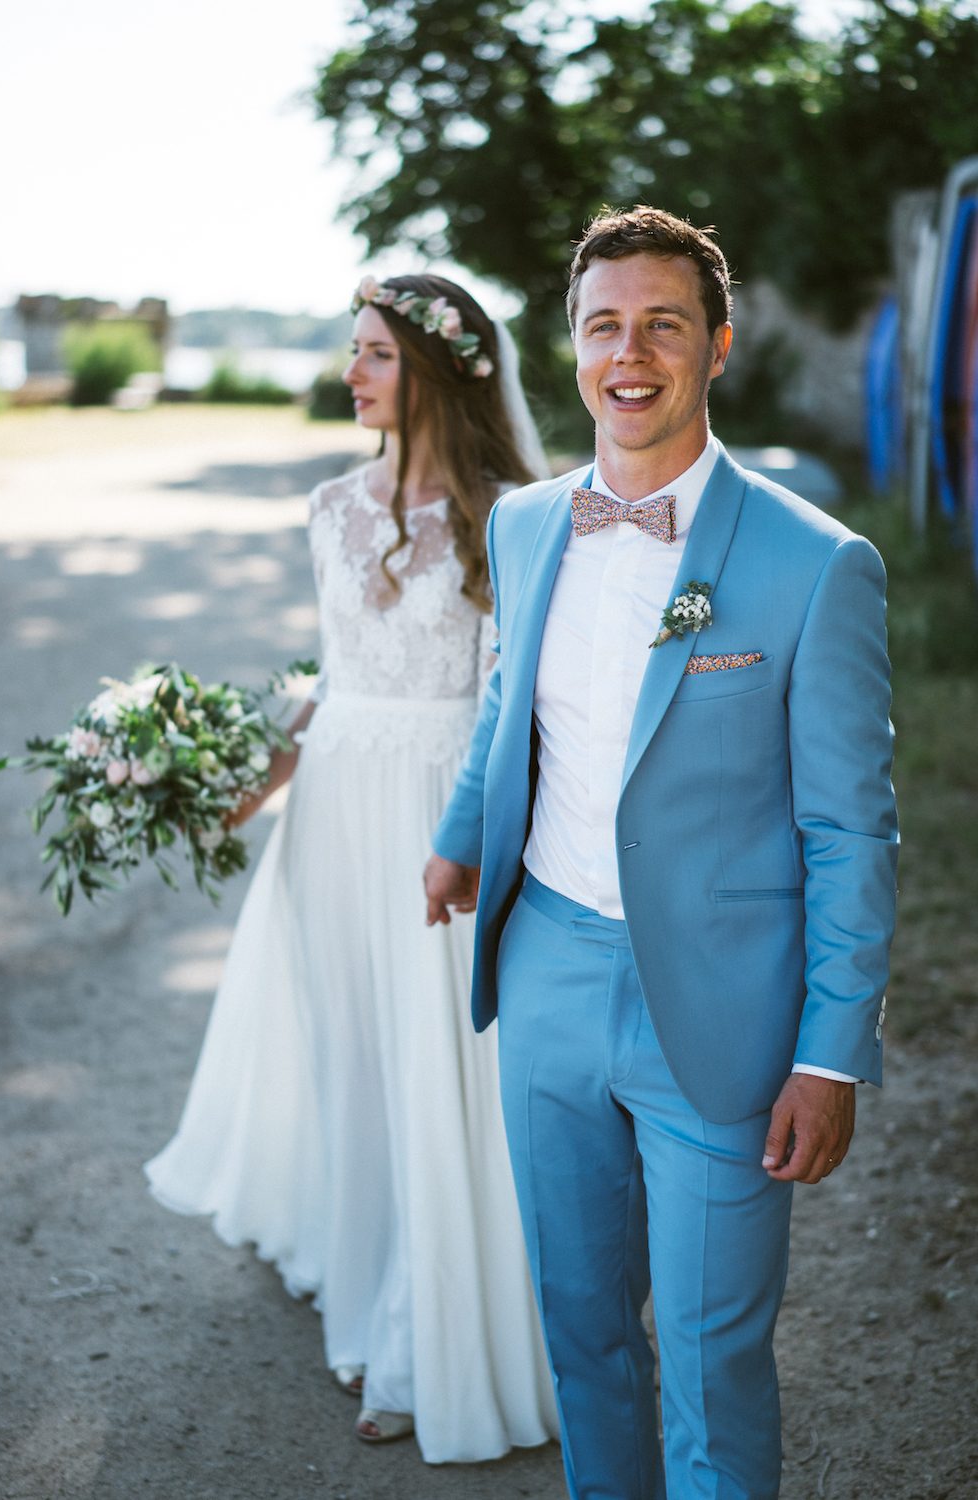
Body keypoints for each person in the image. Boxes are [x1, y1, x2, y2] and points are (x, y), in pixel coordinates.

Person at [424, 206, 898, 1500]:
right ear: (574, 347)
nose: (631, 353)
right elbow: (509, 692)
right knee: (582, 1334)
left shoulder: (816, 565)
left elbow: (852, 828)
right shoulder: (523, 526)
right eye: (604, 325)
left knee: (709, 1357)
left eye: (664, 325)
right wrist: (461, 839)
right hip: (547, 979)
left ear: (719, 346)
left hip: (728, 1012)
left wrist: (828, 1050)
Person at [146, 272, 558, 1463]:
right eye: (354, 350)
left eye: (372, 352)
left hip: (441, 812)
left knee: (444, 1070)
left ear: (430, 368)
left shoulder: (510, 515)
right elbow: (335, 672)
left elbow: (515, 702)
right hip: (332, 809)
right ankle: (371, 1277)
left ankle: (426, 1341)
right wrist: (248, 779)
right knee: (359, 1060)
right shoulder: (329, 506)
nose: (351, 371)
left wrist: (479, 841)